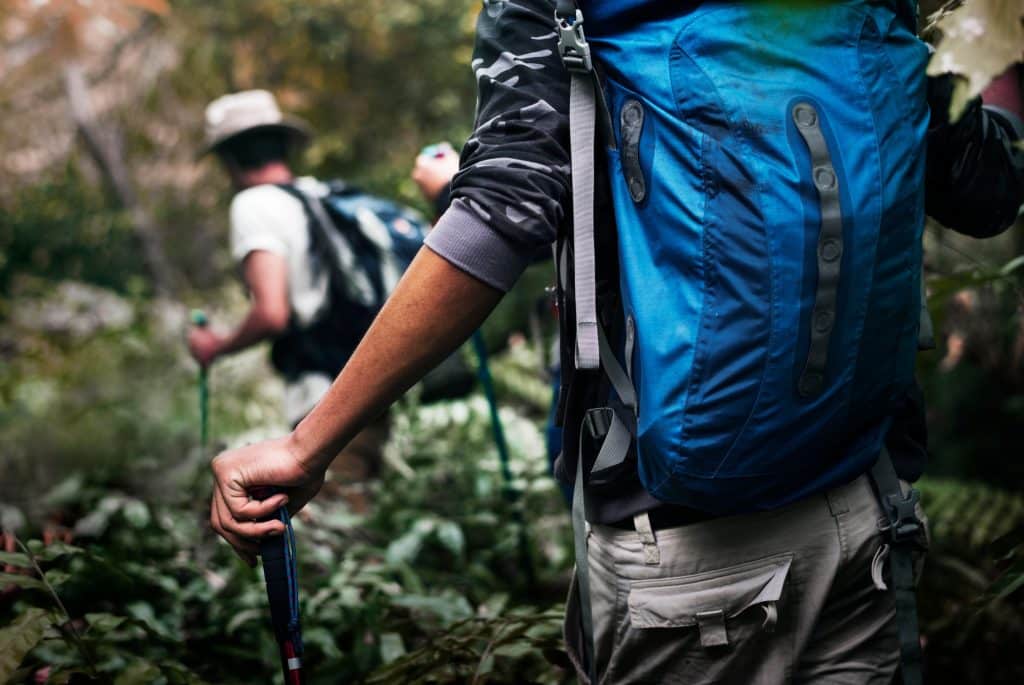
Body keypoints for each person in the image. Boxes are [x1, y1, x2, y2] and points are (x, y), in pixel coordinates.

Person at [208, 4, 1023, 684]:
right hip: (868, 502)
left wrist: (306, 445)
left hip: (688, 555)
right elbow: (990, 188)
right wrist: (1001, 32)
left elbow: (504, 211)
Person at [189, 89, 389, 513]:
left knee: (338, 523)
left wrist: (216, 347)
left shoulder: (253, 204)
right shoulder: (322, 195)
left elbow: (272, 313)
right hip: (373, 380)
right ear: (282, 144)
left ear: (229, 158)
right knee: (363, 510)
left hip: (323, 399)